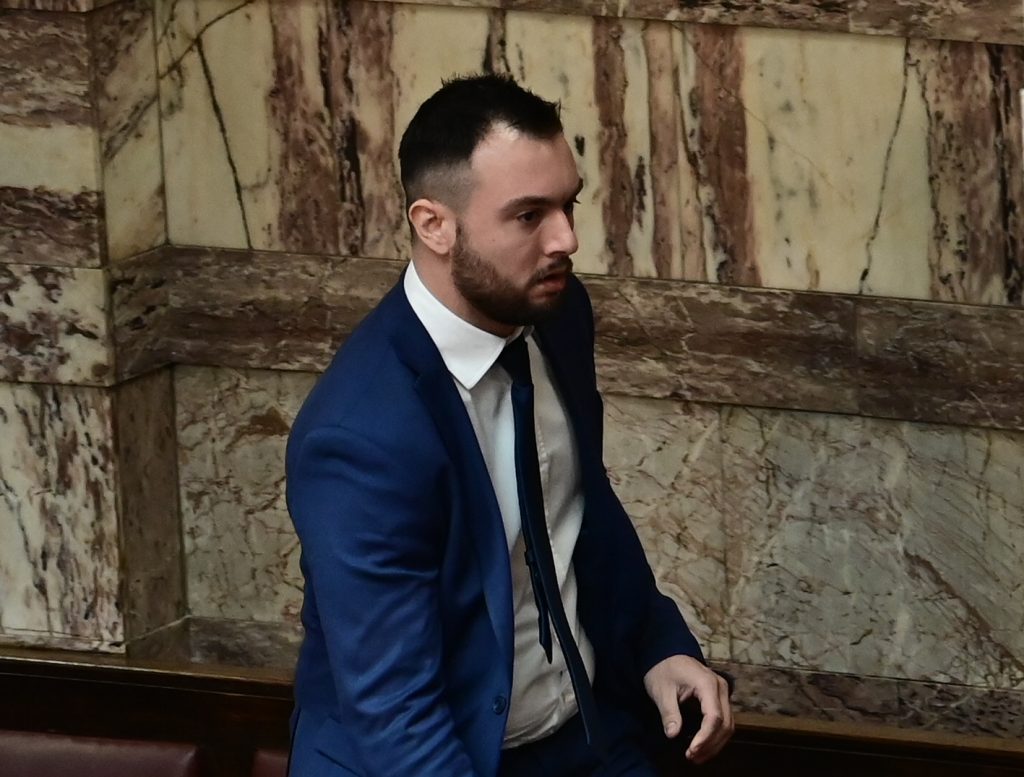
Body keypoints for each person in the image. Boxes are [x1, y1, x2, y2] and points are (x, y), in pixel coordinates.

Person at [285, 73, 733, 777]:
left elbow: (577, 506)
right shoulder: (360, 437)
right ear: (434, 224)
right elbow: (396, 714)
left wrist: (658, 646)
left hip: (588, 733)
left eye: (568, 204)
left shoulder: (555, 313)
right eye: (529, 216)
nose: (567, 239)